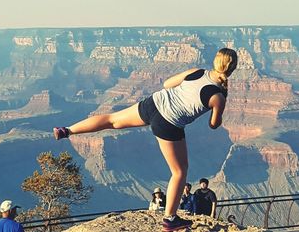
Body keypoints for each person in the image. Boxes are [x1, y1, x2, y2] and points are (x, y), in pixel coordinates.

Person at [52, 48, 238, 231]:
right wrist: (219, 102)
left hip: (154, 103)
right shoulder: (218, 97)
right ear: (232, 69)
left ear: (216, 61)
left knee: (112, 120)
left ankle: (67, 130)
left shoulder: (197, 72)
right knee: (180, 172)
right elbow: (214, 125)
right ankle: (170, 218)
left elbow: (167, 84)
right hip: (168, 123)